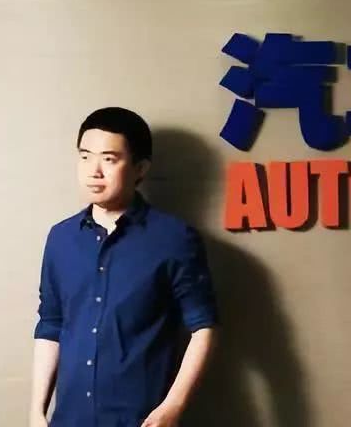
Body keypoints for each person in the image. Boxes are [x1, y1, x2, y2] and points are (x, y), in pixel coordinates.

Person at [28, 107, 218, 427]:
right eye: (85, 157)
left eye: (109, 159)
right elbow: (50, 324)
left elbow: (203, 328)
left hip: (140, 420)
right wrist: (36, 411)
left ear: (140, 168)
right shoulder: (60, 238)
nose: (94, 171)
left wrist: (173, 407)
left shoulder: (174, 238)